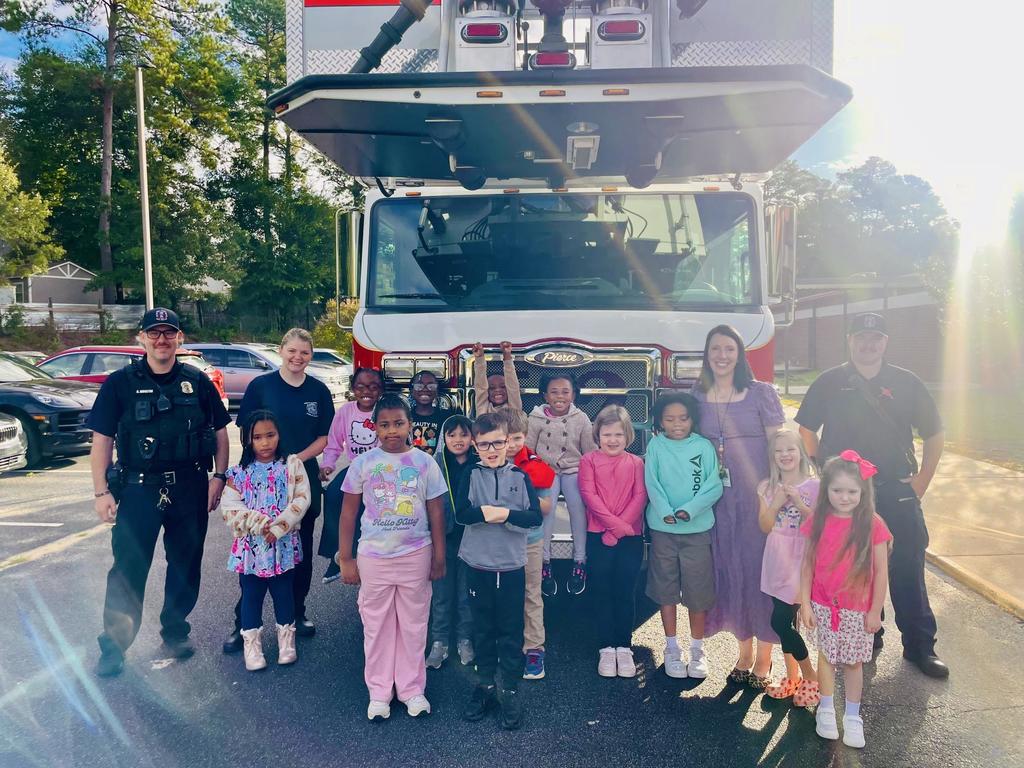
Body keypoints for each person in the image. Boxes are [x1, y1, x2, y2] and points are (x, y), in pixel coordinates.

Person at [795, 312, 948, 679]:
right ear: (850, 340)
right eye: (862, 337)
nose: (869, 343)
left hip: (896, 488)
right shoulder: (830, 381)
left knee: (907, 566)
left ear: (885, 342)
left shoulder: (906, 382)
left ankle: (920, 646)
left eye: (876, 337)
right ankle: (867, 636)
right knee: (850, 566)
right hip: (846, 495)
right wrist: (823, 468)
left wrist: (922, 480)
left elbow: (934, 434)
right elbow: (805, 429)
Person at [90, 308, 230, 677]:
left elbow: (219, 431)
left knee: (185, 563)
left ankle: (175, 629)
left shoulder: (197, 382)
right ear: (142, 338)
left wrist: (220, 477)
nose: (162, 339)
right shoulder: (119, 383)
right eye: (155, 333)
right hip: (138, 489)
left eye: (169, 333)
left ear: (180, 338)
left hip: (190, 485)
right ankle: (114, 645)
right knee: (129, 568)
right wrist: (101, 491)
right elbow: (102, 439)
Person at [338, 394, 448, 721]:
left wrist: (439, 556)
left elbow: (436, 512)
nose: (392, 431)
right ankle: (379, 692)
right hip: (374, 556)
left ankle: (412, 690)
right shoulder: (363, 464)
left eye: (399, 423)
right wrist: (346, 558)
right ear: (373, 428)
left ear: (410, 425)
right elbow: (347, 514)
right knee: (377, 625)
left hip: (415, 554)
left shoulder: (425, 463)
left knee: (414, 625)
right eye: (384, 425)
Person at [225, 328, 334, 651]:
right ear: (281, 350)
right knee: (254, 557)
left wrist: (293, 462)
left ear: (311, 356)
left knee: (298, 555)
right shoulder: (261, 386)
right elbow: (248, 430)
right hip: (260, 482)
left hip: (301, 481)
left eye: (305, 352)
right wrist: (264, 465)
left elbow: (324, 438)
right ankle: (243, 624)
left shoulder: (319, 391)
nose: (298, 357)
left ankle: (297, 614)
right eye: (292, 351)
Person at [691, 324, 785, 689]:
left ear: (739, 353)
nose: (722, 356)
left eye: (729, 349)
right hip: (718, 498)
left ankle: (764, 659)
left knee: (760, 572)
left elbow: (779, 445)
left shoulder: (760, 393)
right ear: (707, 353)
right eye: (716, 349)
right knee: (728, 569)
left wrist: (777, 493)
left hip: (757, 496)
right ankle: (743, 653)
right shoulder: (697, 396)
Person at [456, 413, 543, 731]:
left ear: (509, 443)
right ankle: (484, 687)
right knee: (482, 631)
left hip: (511, 568)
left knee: (510, 633)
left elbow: (534, 518)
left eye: (498, 442)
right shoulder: (470, 473)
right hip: (477, 566)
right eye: (484, 444)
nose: (491, 449)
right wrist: (484, 512)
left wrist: (506, 514)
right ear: (476, 446)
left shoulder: (520, 477)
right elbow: (461, 514)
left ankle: (509, 690)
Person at [799, 452, 892, 750]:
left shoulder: (873, 524)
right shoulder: (818, 521)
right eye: (837, 490)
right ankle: (826, 708)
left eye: (852, 491)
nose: (844, 497)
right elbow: (807, 565)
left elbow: (880, 572)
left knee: (853, 663)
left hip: (857, 609)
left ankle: (853, 716)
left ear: (863, 492)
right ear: (826, 490)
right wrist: (805, 603)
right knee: (826, 657)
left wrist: (875, 610)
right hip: (823, 604)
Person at [220, 410, 311, 671]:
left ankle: (287, 643)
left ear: (279, 435)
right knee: (251, 595)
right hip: (252, 548)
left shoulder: (292, 465)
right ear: (247, 440)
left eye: (270, 435)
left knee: (284, 593)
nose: (265, 443)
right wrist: (258, 524)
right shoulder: (239, 473)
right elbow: (229, 507)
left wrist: (281, 525)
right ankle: (252, 646)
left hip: (282, 545)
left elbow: (302, 499)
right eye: (257, 437)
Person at [643, 393, 723, 680]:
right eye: (669, 419)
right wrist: (664, 511)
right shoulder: (656, 445)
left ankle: (698, 650)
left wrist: (690, 510)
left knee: (697, 591)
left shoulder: (702, 447)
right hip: (663, 530)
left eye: (683, 418)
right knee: (666, 589)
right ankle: (671, 648)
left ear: (692, 419)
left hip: (697, 531)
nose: (677, 424)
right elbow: (651, 481)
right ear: (660, 422)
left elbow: (713, 486)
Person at [578, 405, 647, 678]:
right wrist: (614, 527)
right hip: (599, 536)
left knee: (625, 591)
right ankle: (606, 647)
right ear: (598, 434)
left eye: (619, 434)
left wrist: (617, 530)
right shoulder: (588, 461)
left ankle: (624, 647)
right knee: (602, 590)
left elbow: (639, 496)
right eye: (607, 434)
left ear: (628, 435)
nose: (613, 439)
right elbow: (588, 495)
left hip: (628, 538)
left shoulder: (636, 463)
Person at [757, 429, 820, 706]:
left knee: (780, 621)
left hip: (801, 558)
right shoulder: (766, 487)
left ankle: (812, 678)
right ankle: (792, 677)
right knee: (786, 621)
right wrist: (778, 502)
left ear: (801, 453)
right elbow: (765, 526)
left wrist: (798, 503)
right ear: (772, 457)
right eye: (779, 451)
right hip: (776, 556)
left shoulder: (815, 486)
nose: (785, 455)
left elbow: (820, 525)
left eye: (790, 449)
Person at [527, 373, 597, 596]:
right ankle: (544, 563)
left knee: (578, 509)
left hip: (573, 469)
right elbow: (528, 448)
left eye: (565, 392)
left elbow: (589, 451)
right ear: (545, 395)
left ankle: (580, 562)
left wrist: (594, 476)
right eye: (554, 392)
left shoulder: (581, 418)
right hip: (545, 470)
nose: (560, 396)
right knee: (545, 512)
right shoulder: (536, 418)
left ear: (574, 394)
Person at [319, 367, 385, 583]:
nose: (367, 391)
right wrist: (328, 465)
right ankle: (336, 554)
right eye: (361, 386)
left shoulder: (386, 409)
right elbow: (334, 442)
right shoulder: (346, 411)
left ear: (381, 390)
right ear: (352, 388)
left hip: (381, 470)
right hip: (356, 468)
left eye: (374, 387)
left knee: (370, 507)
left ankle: (365, 553)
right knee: (332, 496)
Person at [504, 409, 555, 681]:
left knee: (531, 594)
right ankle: (504, 644)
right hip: (498, 544)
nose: (511, 444)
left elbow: (546, 507)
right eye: (506, 438)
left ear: (525, 436)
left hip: (530, 542)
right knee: (501, 596)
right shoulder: (488, 464)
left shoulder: (536, 465)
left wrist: (522, 501)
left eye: (517, 437)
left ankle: (534, 648)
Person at [426, 415, 478, 669]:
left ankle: (465, 639)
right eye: (452, 435)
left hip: (471, 540)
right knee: (442, 594)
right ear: (443, 439)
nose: (458, 440)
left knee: (467, 593)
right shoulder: (434, 464)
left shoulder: (480, 464)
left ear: (472, 438)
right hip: (442, 539)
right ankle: (439, 642)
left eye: (464, 435)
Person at [408, 370, 458, 456]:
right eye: (419, 386)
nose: (425, 389)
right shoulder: (404, 416)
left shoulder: (447, 417)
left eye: (431, 386)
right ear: (412, 391)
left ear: (437, 391)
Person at [471, 341, 522, 415]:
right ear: (487, 392)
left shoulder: (514, 409)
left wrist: (507, 356)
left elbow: (513, 387)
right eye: (491, 388)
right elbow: (480, 387)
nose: (498, 390)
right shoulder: (483, 409)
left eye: (503, 386)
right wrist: (479, 359)